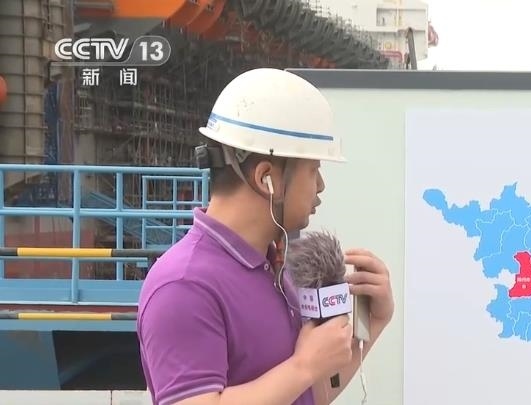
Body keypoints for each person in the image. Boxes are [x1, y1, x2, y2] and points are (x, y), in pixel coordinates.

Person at [137, 68, 395, 405]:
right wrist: (303, 366)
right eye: (313, 170)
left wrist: (373, 321)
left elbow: (304, 395)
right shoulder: (184, 285)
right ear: (266, 178)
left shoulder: (273, 270)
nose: (320, 186)